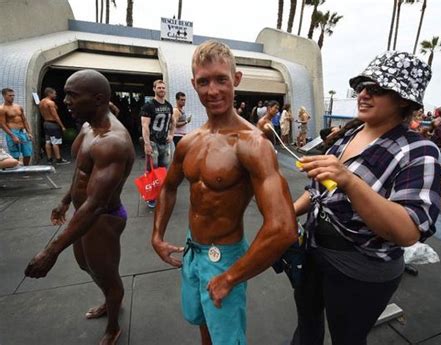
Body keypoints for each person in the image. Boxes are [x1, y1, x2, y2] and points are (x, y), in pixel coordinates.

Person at [151, 40, 297, 345]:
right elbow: (168, 186)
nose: (212, 90)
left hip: (224, 257)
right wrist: (157, 236)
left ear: (237, 79)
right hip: (193, 251)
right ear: (193, 84)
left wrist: (230, 277)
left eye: (221, 79)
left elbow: (283, 228)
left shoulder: (252, 145)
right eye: (203, 81)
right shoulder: (190, 141)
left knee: (228, 339)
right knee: (202, 321)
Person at [292, 51, 441, 345]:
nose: (364, 94)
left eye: (377, 89)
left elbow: (407, 231)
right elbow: (319, 192)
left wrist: (349, 181)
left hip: (361, 270)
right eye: (362, 87)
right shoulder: (350, 135)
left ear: (404, 100)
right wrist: (286, 212)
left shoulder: (419, 152)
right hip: (313, 251)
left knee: (347, 338)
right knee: (306, 328)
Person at [24, 69, 135, 345]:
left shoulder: (113, 143)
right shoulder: (87, 127)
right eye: (65, 95)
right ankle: (111, 300)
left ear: (97, 99)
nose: (66, 102)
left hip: (103, 217)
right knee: (87, 266)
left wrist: (50, 251)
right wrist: (64, 200)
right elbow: (80, 172)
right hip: (84, 213)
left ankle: (113, 325)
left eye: (72, 96)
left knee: (106, 275)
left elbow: (96, 204)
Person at [140, 79, 175, 208]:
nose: (161, 90)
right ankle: (151, 196)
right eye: (159, 88)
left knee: (163, 170)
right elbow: (145, 126)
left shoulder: (169, 105)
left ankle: (160, 193)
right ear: (154, 89)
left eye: (163, 88)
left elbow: (173, 122)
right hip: (153, 143)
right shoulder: (149, 106)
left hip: (164, 143)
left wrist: (171, 135)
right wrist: (147, 143)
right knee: (151, 170)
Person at [0, 88, 33, 165]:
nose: (12, 97)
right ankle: (16, 171)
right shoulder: (2, 109)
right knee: (15, 154)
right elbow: (2, 124)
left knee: (27, 153)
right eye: (10, 95)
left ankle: (26, 169)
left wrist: (29, 132)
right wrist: (13, 136)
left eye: (13, 95)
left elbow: (24, 120)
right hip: (12, 132)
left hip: (22, 132)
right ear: (4, 96)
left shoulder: (18, 107)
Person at [39, 87, 70, 165]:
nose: (55, 95)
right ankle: (58, 159)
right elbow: (55, 116)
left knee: (48, 141)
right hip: (52, 124)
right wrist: (62, 126)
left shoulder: (42, 102)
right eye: (54, 93)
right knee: (55, 142)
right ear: (49, 93)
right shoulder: (50, 103)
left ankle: (49, 159)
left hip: (46, 123)